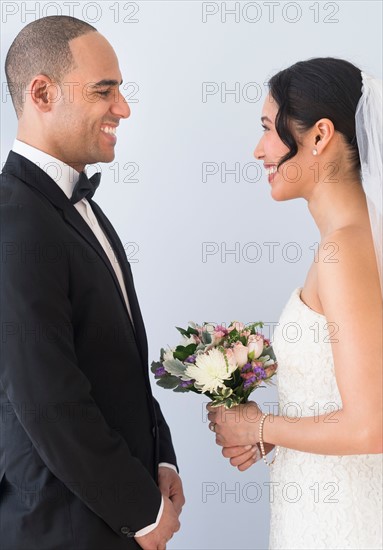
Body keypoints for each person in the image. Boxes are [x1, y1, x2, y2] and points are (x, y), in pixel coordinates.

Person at [0, 15, 184, 550]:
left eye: (121, 90)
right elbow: (47, 397)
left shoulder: (82, 211)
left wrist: (160, 455)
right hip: (63, 526)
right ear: (42, 93)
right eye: (105, 91)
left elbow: (115, 358)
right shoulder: (13, 220)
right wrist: (141, 511)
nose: (123, 108)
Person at [208, 58, 382, 549]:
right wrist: (270, 435)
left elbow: (371, 426)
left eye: (268, 129)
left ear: (320, 135)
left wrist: (259, 424)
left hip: (344, 521)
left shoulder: (343, 251)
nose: (259, 150)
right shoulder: (351, 243)